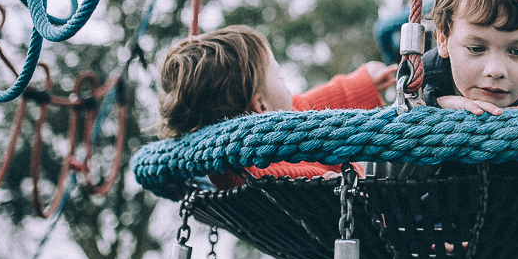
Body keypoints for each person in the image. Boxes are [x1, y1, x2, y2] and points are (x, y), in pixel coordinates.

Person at [157, 25, 396, 187]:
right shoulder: (274, 179)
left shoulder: (253, 151)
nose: (286, 85)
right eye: (279, 77)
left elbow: (302, 111)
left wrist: (363, 83)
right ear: (260, 105)